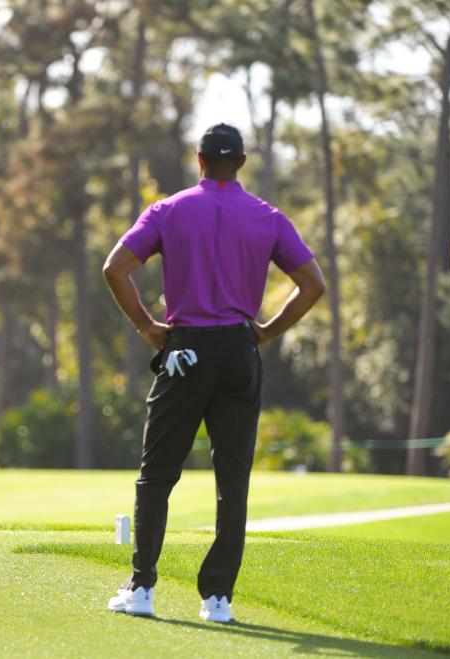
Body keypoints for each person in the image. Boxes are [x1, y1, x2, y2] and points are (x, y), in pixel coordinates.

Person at [102, 124, 325, 622]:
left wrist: (146, 327)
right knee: (233, 480)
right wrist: (265, 331)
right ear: (241, 163)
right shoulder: (268, 217)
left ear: (199, 160)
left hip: (187, 352)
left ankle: (142, 588)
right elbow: (312, 284)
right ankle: (218, 599)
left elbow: (115, 268)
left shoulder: (169, 210)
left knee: (156, 475)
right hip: (239, 352)